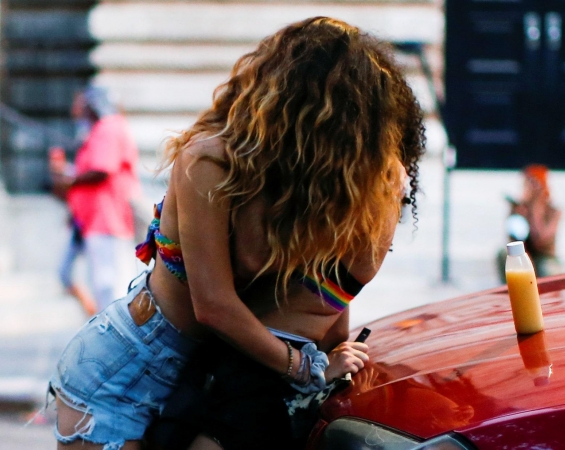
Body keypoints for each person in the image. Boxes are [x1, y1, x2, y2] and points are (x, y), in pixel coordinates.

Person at [48, 17, 425, 450]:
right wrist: (304, 367)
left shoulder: (296, 185)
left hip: (203, 371)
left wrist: (333, 352)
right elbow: (214, 306)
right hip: (127, 370)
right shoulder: (210, 161)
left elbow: (323, 284)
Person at [49, 86, 142, 316]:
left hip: (107, 218)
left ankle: (114, 335)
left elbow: (102, 169)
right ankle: (102, 326)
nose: (82, 113)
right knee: (102, 283)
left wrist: (70, 180)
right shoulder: (101, 130)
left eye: (86, 108)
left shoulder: (108, 127)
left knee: (110, 284)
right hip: (92, 220)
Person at [498, 164, 562, 282]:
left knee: (548, 269)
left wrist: (535, 209)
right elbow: (512, 240)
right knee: (502, 254)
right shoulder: (520, 208)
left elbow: (541, 240)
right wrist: (516, 215)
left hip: (544, 257)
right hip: (525, 255)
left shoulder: (553, 211)